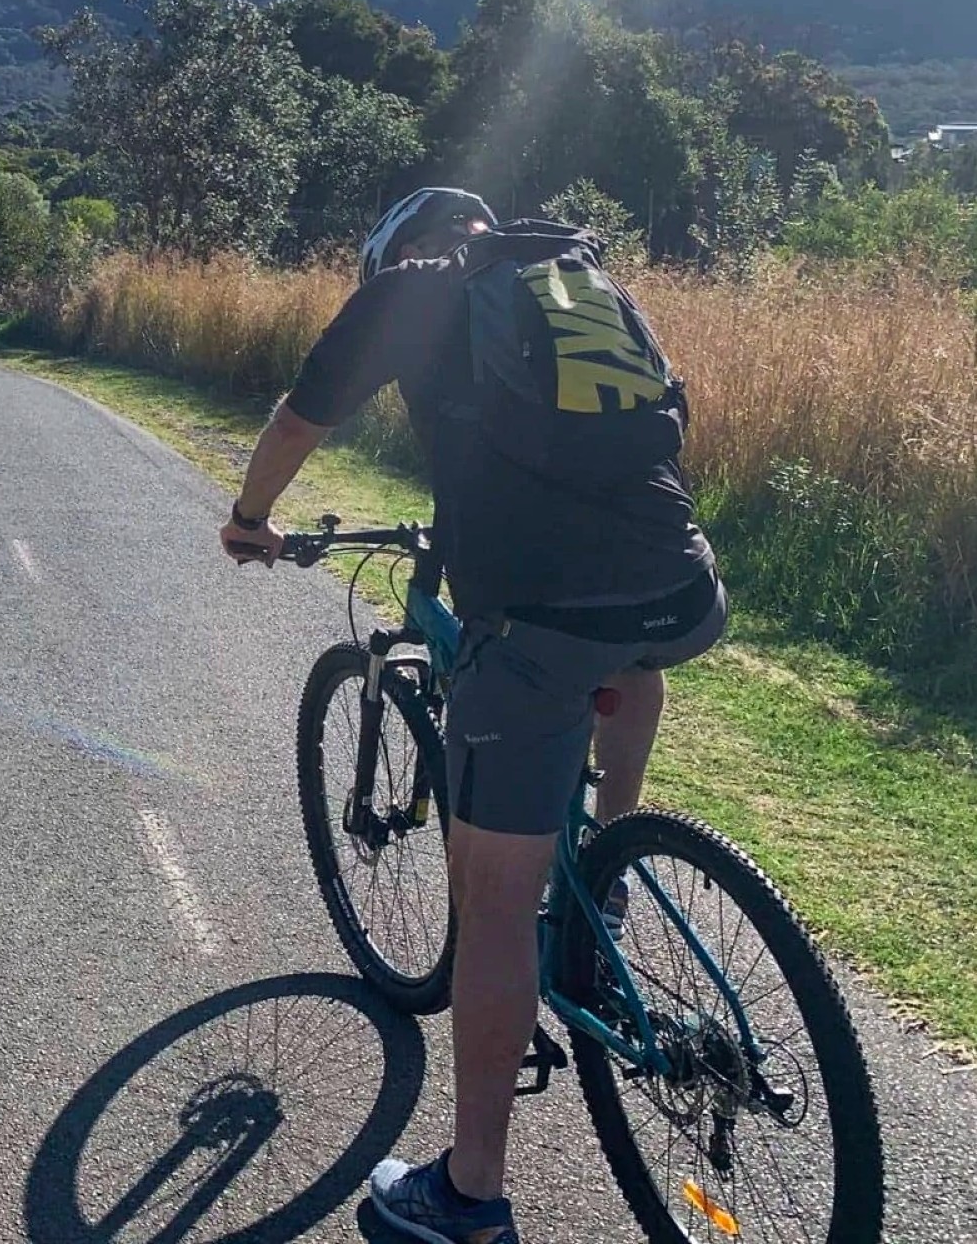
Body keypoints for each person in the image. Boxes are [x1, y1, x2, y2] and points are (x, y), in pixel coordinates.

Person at [218, 187, 726, 1244]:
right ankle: (608, 877)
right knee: (622, 660)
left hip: (543, 614)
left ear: (395, 254)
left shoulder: (410, 294)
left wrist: (250, 519)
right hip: (681, 586)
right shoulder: (578, 282)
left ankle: (470, 1194)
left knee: (493, 903)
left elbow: (300, 419)